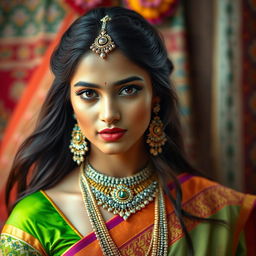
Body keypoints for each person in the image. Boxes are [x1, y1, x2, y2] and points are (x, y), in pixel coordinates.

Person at [0, 6, 255, 256]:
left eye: (128, 90)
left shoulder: (216, 209)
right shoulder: (36, 222)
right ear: (70, 103)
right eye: (89, 94)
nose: (109, 113)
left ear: (155, 96)